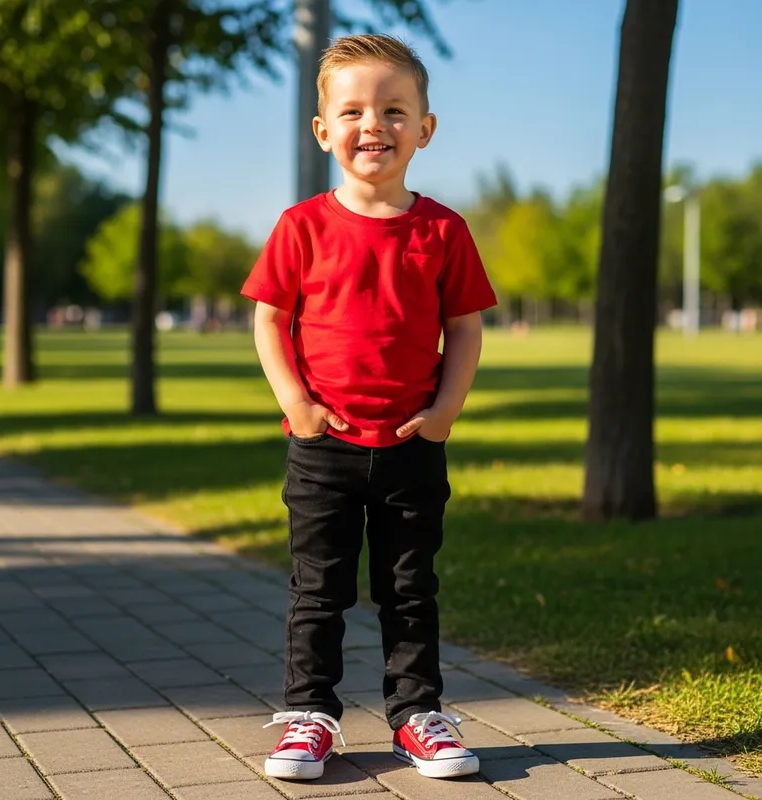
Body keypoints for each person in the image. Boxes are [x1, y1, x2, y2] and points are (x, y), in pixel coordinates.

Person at [241, 33, 497, 782]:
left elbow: (464, 327)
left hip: (412, 443)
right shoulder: (302, 227)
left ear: (425, 128)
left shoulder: (443, 230)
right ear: (324, 131)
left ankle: (418, 715)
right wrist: (297, 402)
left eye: (393, 109)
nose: (372, 125)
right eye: (352, 111)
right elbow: (267, 318)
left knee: (409, 586)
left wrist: (446, 411)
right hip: (323, 445)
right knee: (318, 588)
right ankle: (308, 716)